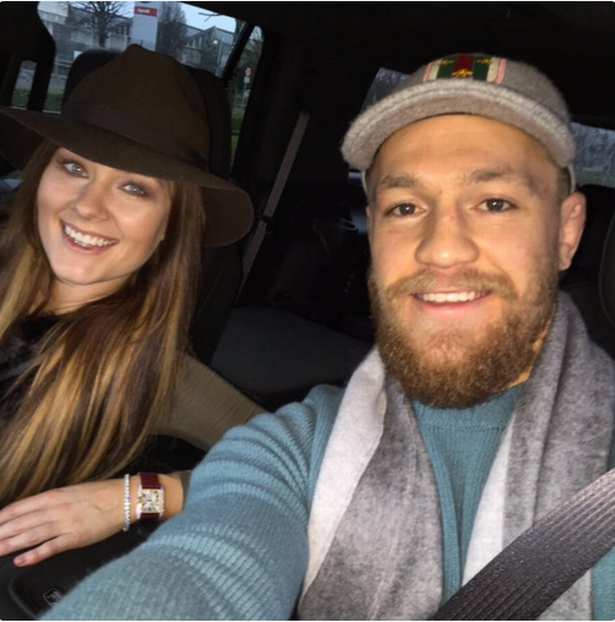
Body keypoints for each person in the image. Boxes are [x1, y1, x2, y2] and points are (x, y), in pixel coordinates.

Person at [44, 52, 613, 620]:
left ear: (568, 232)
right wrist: (137, 496)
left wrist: (134, 496)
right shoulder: (311, 442)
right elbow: (215, 550)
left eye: (494, 203)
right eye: (406, 206)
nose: (441, 248)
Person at [0, 45, 256, 570]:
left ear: (169, 227)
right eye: (74, 166)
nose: (87, 207)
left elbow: (301, 474)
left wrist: (136, 497)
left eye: (134, 187)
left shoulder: (152, 373)